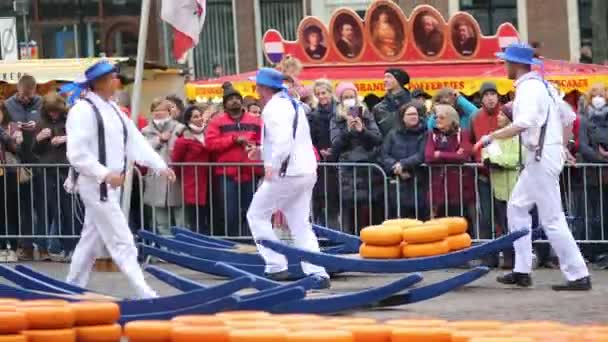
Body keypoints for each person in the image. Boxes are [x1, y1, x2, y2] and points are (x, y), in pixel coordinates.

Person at [474, 43, 590, 290]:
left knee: (552, 218)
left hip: (539, 158)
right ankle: (522, 269)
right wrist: (563, 145)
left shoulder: (529, 88)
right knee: (516, 208)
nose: (504, 66)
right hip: (542, 156)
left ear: (516, 64)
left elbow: (524, 122)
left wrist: (491, 137)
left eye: (506, 62)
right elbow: (569, 117)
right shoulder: (544, 87)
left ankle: (578, 274)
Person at [64, 60, 176, 298]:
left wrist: (159, 165)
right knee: (122, 239)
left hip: (108, 184)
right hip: (96, 184)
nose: (117, 81)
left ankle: (72, 287)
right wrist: (105, 174)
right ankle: (144, 292)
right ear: (102, 82)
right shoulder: (82, 110)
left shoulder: (113, 110)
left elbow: (134, 141)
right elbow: (77, 153)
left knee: (90, 241)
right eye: (114, 77)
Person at [245, 67, 330, 287]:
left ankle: (276, 265)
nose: (255, 88)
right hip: (305, 170)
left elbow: (283, 140)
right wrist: (263, 152)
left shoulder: (273, 108)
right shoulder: (292, 103)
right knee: (300, 224)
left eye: (257, 85)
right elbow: (293, 137)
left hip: (286, 172)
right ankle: (317, 272)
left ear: (263, 88)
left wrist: (272, 163)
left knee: (257, 215)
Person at [205, 84, 262, 237]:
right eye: (230, 99)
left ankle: (250, 240)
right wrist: (233, 139)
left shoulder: (255, 121)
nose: (234, 101)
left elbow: (264, 141)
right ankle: (234, 241)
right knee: (230, 212)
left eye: (237, 98)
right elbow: (210, 144)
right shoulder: (216, 122)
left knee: (251, 211)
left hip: (250, 173)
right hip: (227, 173)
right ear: (225, 104)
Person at [32, 93, 80, 261]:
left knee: (69, 211)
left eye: (56, 111)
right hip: (46, 171)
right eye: (50, 111)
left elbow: (82, 139)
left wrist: (66, 138)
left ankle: (71, 248)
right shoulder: (40, 122)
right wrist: (38, 139)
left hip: (66, 170)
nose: (53, 114)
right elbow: (34, 151)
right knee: (46, 210)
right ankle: (44, 248)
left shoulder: (69, 121)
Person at [330, 82, 383, 233]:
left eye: (351, 96)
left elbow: (377, 139)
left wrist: (362, 130)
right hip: (347, 171)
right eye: (345, 97)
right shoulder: (336, 119)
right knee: (350, 209)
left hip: (369, 170)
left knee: (371, 210)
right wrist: (347, 131)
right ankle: (351, 240)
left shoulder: (367, 115)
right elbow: (335, 146)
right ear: (340, 99)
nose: (349, 100)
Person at [5, 74, 44, 261]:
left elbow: (48, 123)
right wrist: (14, 130)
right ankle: (23, 246)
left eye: (29, 96)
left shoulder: (41, 103)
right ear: (17, 89)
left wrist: (37, 127)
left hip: (39, 162)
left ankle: (40, 245)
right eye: (22, 95)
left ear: (35, 90)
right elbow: (4, 128)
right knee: (21, 206)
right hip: (17, 164)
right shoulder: (7, 105)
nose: (26, 99)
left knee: (40, 205)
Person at [141, 98, 185, 236]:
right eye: (155, 110)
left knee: (181, 218)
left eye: (162, 110)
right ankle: (167, 249)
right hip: (155, 177)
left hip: (176, 175)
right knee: (161, 220)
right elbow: (143, 149)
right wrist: (159, 140)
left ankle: (182, 250)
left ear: (169, 111)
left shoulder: (180, 127)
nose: (158, 113)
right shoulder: (145, 130)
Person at [425, 104, 475, 221]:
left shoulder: (463, 134)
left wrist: (440, 154)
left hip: (459, 187)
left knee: (459, 221)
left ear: (451, 119)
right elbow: (428, 156)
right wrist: (453, 155)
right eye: (436, 117)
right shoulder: (432, 135)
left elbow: (463, 156)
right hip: (439, 187)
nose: (437, 120)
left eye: (442, 117)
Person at [380, 102, 428, 219]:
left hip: (419, 182)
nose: (413, 116)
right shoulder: (392, 134)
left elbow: (421, 155)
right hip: (397, 183)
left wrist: (403, 164)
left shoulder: (425, 133)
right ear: (402, 117)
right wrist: (396, 167)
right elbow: (384, 155)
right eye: (409, 114)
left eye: (415, 114)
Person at [172, 105, 212, 233]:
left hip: (210, 181)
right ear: (188, 120)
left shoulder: (208, 135)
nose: (200, 118)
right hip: (193, 182)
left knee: (208, 215)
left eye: (200, 115)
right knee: (196, 217)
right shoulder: (183, 140)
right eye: (195, 116)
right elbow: (176, 162)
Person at [0, 101, 22, 263]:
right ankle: (1, 247)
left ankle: (13, 247)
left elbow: (16, 148)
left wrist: (9, 137)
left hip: (9, 172)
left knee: (11, 210)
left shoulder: (11, 126)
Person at [372, 68, 411, 137]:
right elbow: (376, 134)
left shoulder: (413, 104)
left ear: (399, 80)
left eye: (389, 77)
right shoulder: (378, 108)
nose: (385, 80)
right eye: (384, 77)